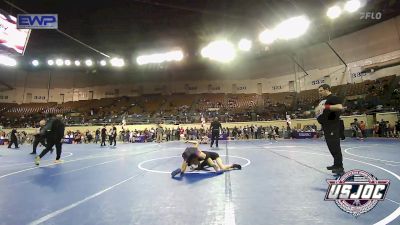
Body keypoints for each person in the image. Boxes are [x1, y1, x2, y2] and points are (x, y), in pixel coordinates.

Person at [315, 84, 344, 175]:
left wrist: (325, 107)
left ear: (327, 89)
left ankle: (340, 167)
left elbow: (339, 107)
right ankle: (336, 165)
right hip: (327, 127)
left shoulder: (333, 98)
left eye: (321, 90)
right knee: (331, 147)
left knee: (335, 147)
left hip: (332, 126)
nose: (319, 92)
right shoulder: (325, 100)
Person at [171, 140, 241, 177]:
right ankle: (181, 170)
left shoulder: (199, 154)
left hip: (214, 156)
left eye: (193, 163)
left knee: (222, 167)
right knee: (200, 165)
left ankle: (233, 165)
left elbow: (207, 157)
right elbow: (184, 167)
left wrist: (215, 167)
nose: (193, 164)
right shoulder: (189, 157)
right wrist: (181, 171)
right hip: (198, 156)